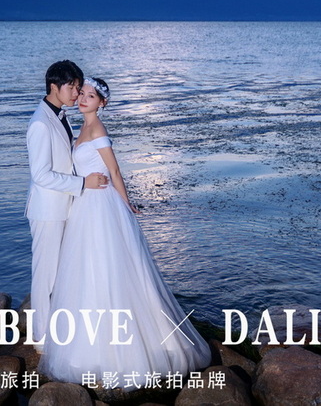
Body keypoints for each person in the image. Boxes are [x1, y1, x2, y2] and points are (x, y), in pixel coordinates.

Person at [39, 77, 211, 384]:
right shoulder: (82, 127)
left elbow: (115, 170)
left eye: (91, 96)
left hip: (101, 205)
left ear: (102, 103)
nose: (83, 99)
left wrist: (126, 203)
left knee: (108, 268)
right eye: (82, 94)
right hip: (84, 203)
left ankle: (125, 350)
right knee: (85, 269)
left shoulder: (97, 129)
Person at [26, 60, 109, 350]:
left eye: (77, 87)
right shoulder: (40, 123)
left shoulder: (60, 116)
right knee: (45, 275)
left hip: (64, 206)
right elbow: (40, 175)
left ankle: (56, 328)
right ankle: (40, 337)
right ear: (54, 87)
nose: (76, 93)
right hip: (48, 210)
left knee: (59, 272)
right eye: (72, 87)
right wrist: (83, 183)